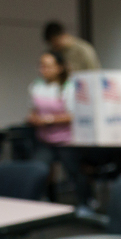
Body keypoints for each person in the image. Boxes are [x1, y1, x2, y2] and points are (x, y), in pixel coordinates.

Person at [27, 51, 88, 205]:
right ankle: (48, 201)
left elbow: (74, 115)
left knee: (74, 172)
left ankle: (86, 203)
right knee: (39, 170)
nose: (44, 69)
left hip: (67, 140)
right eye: (41, 66)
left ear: (59, 67)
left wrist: (48, 120)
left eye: (48, 66)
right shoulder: (36, 86)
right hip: (45, 140)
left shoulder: (69, 87)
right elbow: (34, 109)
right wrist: (33, 118)